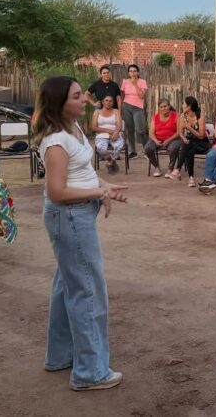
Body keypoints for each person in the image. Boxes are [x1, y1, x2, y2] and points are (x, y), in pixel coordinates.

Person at [33, 76, 128, 391]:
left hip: (75, 215)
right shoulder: (56, 141)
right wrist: (95, 194)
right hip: (70, 216)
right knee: (87, 290)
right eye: (77, 96)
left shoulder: (71, 129)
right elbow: (57, 191)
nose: (84, 99)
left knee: (67, 286)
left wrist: (104, 186)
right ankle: (90, 372)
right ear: (60, 103)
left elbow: (82, 171)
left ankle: (61, 355)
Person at [171, 96, 210, 188]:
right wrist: (184, 138)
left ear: (189, 106)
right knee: (188, 148)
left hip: (202, 143)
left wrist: (189, 128)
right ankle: (191, 178)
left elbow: (201, 136)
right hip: (189, 143)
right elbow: (180, 132)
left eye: (184, 104)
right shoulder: (182, 116)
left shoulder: (200, 117)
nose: (182, 105)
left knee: (187, 146)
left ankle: (178, 169)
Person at [145, 99, 182, 177]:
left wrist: (168, 140)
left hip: (173, 139)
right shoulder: (155, 117)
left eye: (165, 106)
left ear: (169, 106)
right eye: (161, 107)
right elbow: (151, 133)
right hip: (158, 139)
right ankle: (157, 167)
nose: (163, 108)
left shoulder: (176, 115)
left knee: (173, 148)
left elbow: (179, 132)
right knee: (147, 148)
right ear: (159, 108)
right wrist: (155, 141)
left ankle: (170, 168)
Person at [90, 95, 124, 173]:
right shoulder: (97, 112)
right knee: (101, 149)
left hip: (115, 134)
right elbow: (94, 127)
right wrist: (109, 131)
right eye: (106, 100)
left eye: (110, 101)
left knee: (119, 146)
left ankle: (110, 163)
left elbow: (119, 125)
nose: (108, 102)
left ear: (113, 103)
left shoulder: (116, 111)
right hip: (101, 135)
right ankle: (111, 161)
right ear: (102, 102)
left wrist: (116, 132)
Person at [120, 64, 148, 159]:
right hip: (127, 107)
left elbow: (142, 96)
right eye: (131, 71)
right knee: (130, 130)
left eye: (134, 71)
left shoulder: (142, 82)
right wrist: (121, 108)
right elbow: (122, 95)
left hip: (138, 108)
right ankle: (133, 151)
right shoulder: (125, 82)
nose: (132, 73)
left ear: (138, 72)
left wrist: (135, 84)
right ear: (128, 73)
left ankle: (147, 150)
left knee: (141, 130)